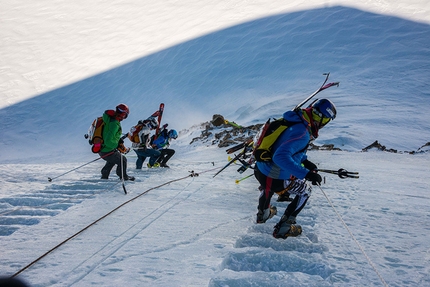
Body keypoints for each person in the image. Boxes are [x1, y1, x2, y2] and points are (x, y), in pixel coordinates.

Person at [254, 99, 337, 239]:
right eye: (327, 120)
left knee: (267, 185)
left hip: (260, 169)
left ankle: (263, 214)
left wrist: (306, 162)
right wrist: (306, 174)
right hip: (274, 176)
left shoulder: (295, 119)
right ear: (323, 119)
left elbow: (286, 147)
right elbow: (280, 157)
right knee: (305, 191)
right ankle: (284, 228)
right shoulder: (302, 132)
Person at [98, 104, 135, 181]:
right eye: (125, 115)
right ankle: (123, 176)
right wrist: (116, 145)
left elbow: (109, 135)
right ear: (123, 114)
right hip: (107, 149)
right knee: (123, 160)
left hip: (102, 149)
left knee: (113, 159)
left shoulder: (109, 119)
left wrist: (118, 141)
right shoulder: (114, 124)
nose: (125, 118)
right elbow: (108, 140)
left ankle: (105, 173)